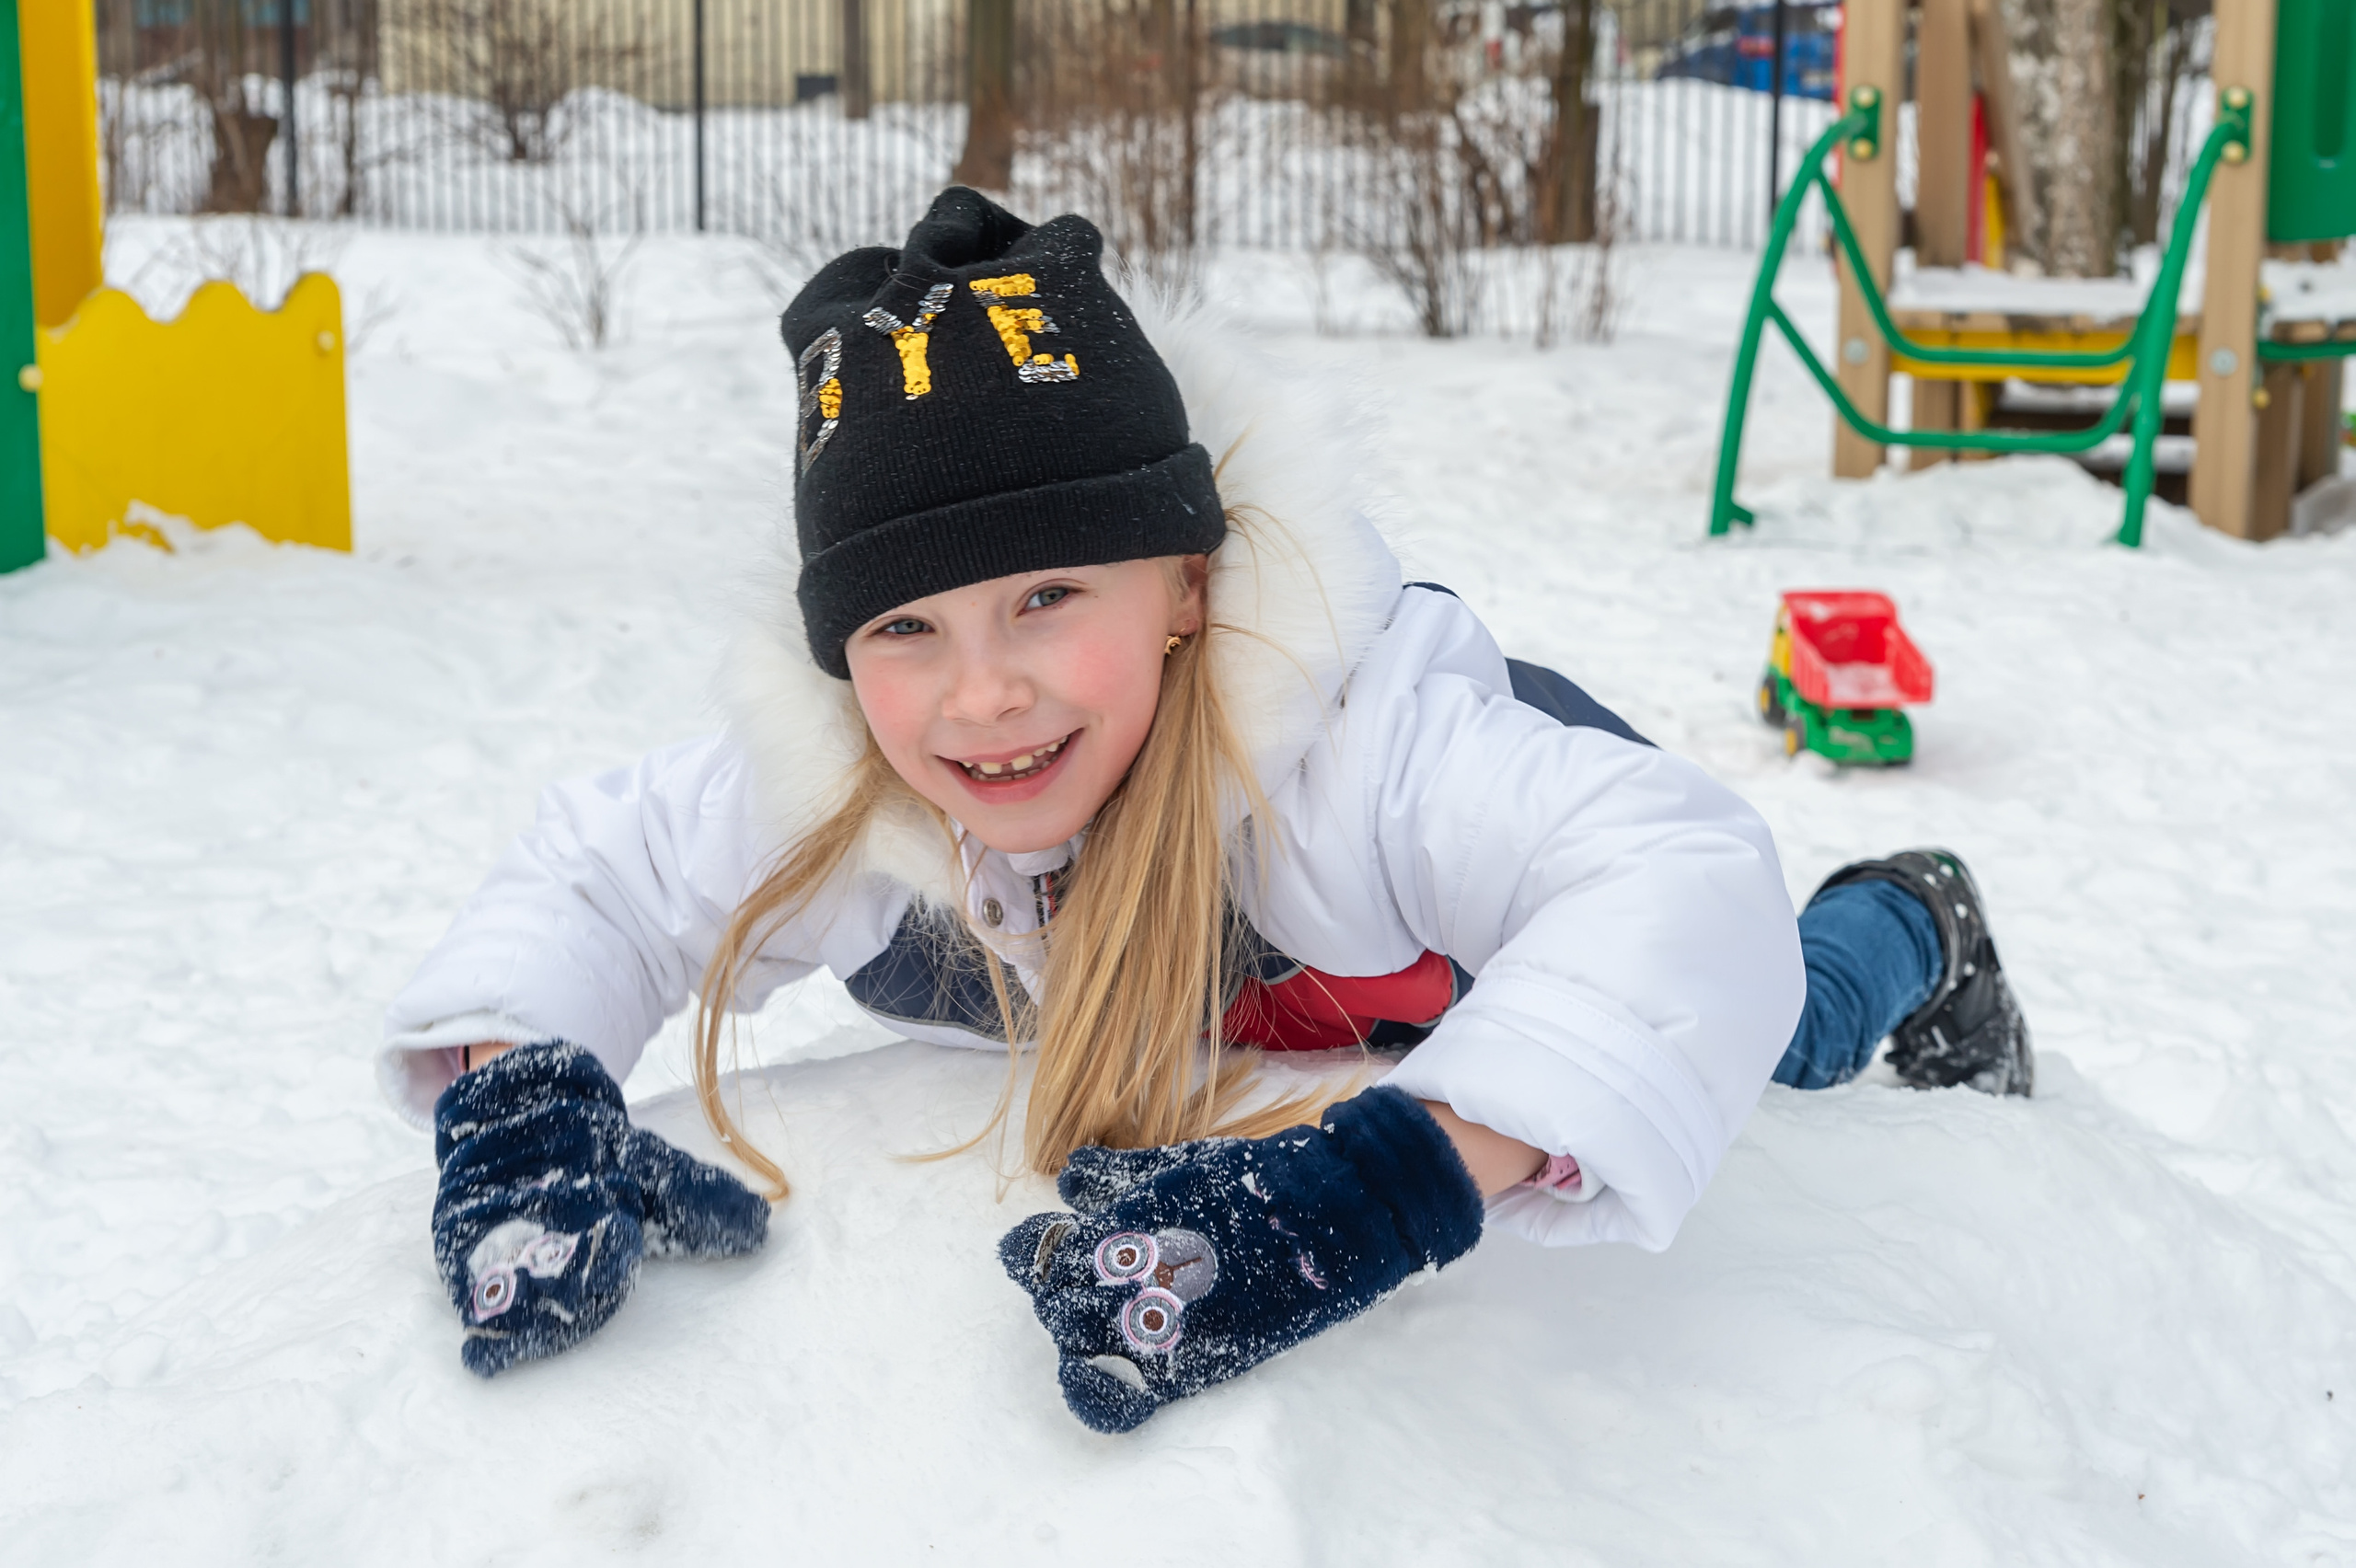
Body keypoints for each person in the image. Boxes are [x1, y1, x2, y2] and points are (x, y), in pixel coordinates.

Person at [390, 189, 2033, 1431]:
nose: (981, 697)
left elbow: (1675, 879)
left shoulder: (1358, 747)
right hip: (1267, 996)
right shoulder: (855, 797)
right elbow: (597, 880)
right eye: (906, 628)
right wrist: (511, 1092)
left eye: (1046, 597)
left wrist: (1382, 1184)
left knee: (1786, 1036)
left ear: (1184, 583)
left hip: (1497, 936)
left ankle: (1917, 912)